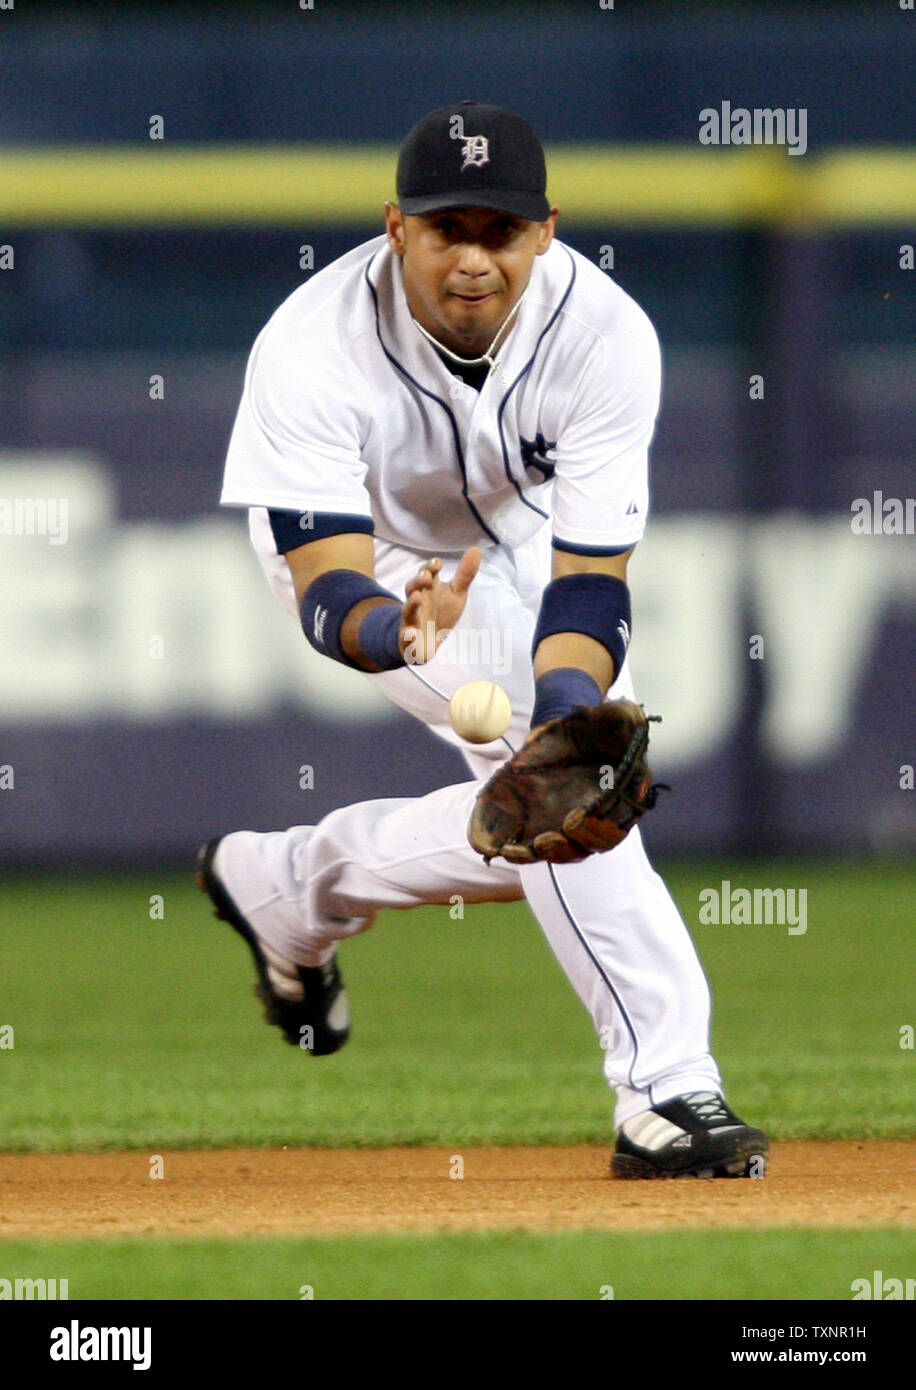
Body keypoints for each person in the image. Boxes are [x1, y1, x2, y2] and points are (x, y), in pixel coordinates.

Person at [200, 101, 768, 1179]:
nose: (471, 258)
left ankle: (290, 883)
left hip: (521, 541)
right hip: (368, 564)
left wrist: (565, 717)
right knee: (569, 821)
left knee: (560, 822)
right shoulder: (309, 343)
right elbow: (325, 588)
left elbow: (593, 579)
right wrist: (394, 626)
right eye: (443, 228)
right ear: (394, 227)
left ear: (545, 231)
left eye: (497, 231)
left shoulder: (605, 333)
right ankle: (666, 1090)